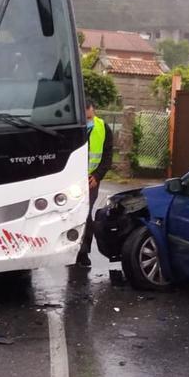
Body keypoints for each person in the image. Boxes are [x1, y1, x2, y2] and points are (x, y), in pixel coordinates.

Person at [76, 99, 113, 268]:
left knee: (86, 213)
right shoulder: (76, 126)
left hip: (91, 180)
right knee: (73, 214)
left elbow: (107, 156)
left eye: (87, 109)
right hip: (74, 179)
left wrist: (97, 176)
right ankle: (71, 249)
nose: (85, 112)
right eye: (82, 109)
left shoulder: (103, 127)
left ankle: (83, 252)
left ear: (93, 109)